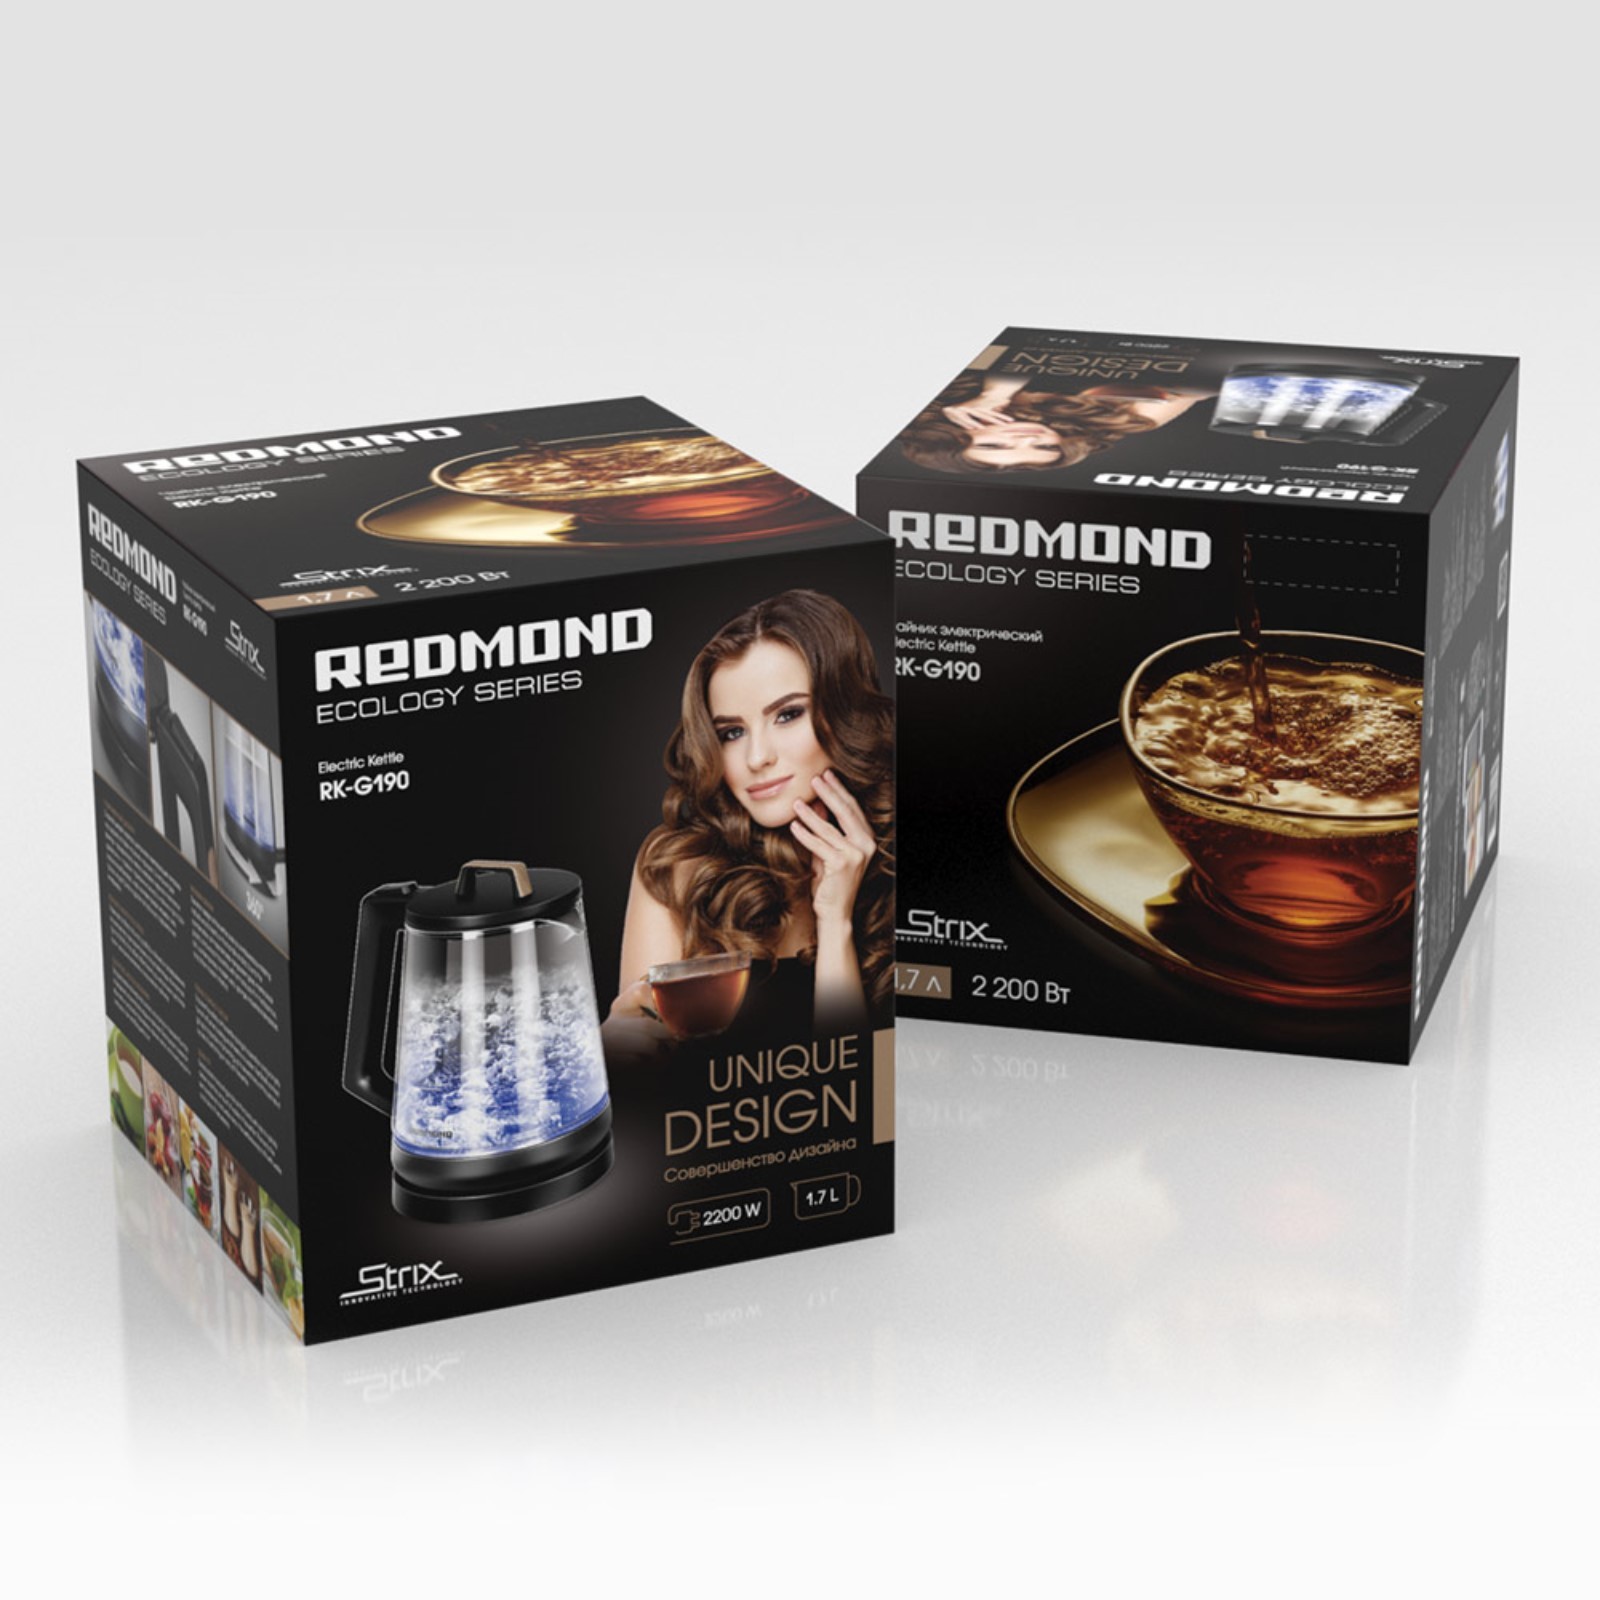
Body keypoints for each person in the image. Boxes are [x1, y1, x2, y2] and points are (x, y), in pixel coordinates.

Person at [606, 590, 893, 1057]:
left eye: (787, 715)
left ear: (845, 713)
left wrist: (835, 922)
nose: (757, 757)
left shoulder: (897, 857)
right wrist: (618, 1048)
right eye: (732, 732)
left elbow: (854, 1083)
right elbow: (646, 1069)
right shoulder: (677, 864)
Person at [898, 370, 1214, 473]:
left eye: (994, 444)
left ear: (946, 434)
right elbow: (1208, 378)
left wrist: (995, 394)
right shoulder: (1122, 420)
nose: (1027, 438)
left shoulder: (939, 389)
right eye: (1046, 447)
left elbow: (1014, 350)